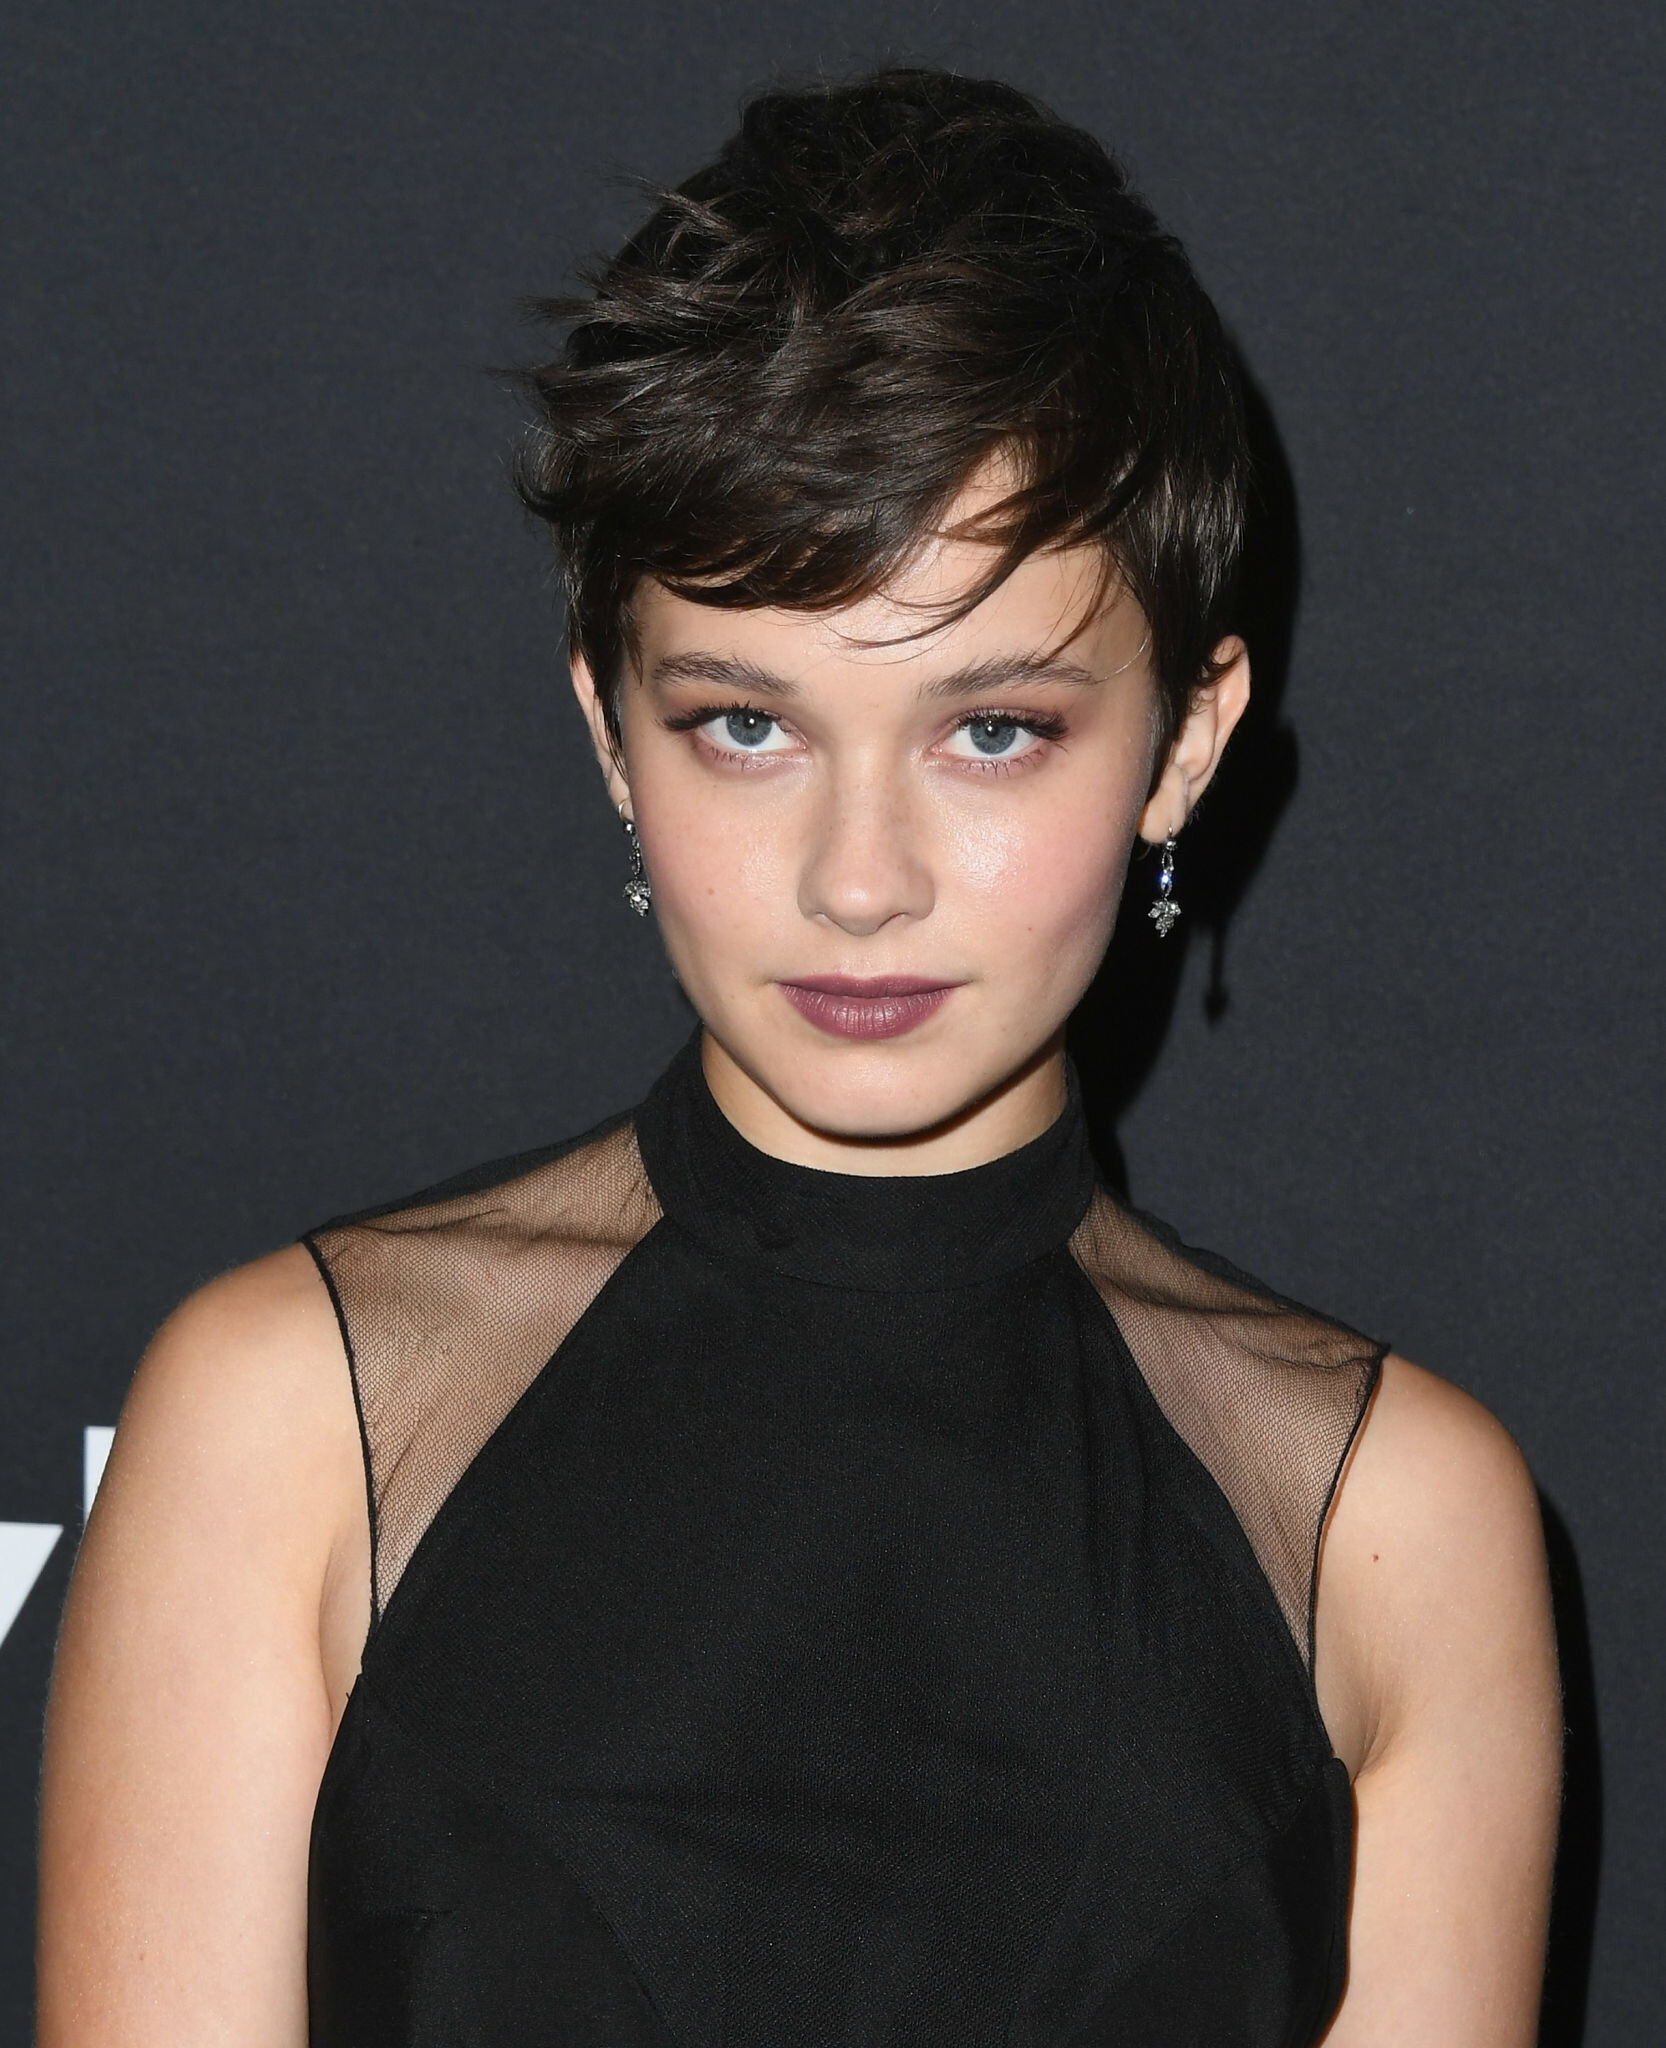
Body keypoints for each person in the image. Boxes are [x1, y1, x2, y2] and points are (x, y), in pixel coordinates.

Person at [37, 69, 1561, 2048]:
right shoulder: (289, 1424)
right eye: (744, 725)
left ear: (1182, 745)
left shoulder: (1388, 1523)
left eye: (991, 729)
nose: (858, 880)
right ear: (611, 733)